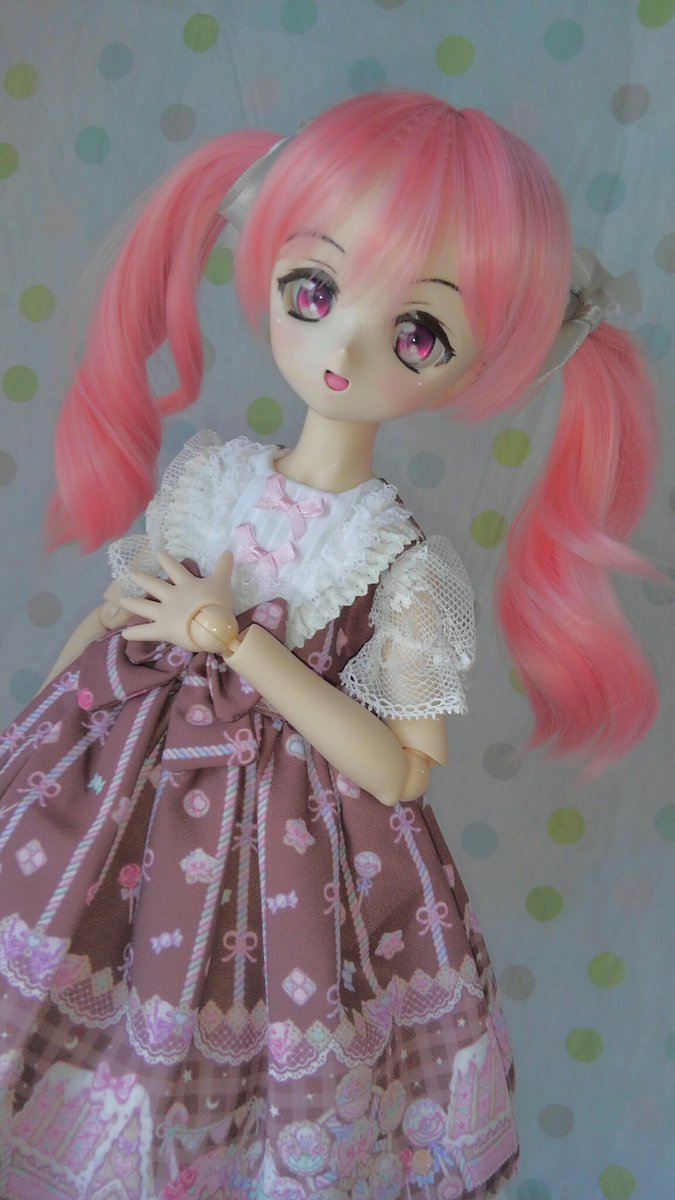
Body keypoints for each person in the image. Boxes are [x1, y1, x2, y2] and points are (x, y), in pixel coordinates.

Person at [0, 91, 658, 1200]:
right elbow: (115, 623)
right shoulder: (210, 480)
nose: (344, 342)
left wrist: (239, 646)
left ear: (477, 367)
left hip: (285, 870)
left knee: (220, 1085)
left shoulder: (401, 565)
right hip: (107, 815)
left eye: (418, 332)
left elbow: (401, 772)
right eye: (315, 288)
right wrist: (37, 745)